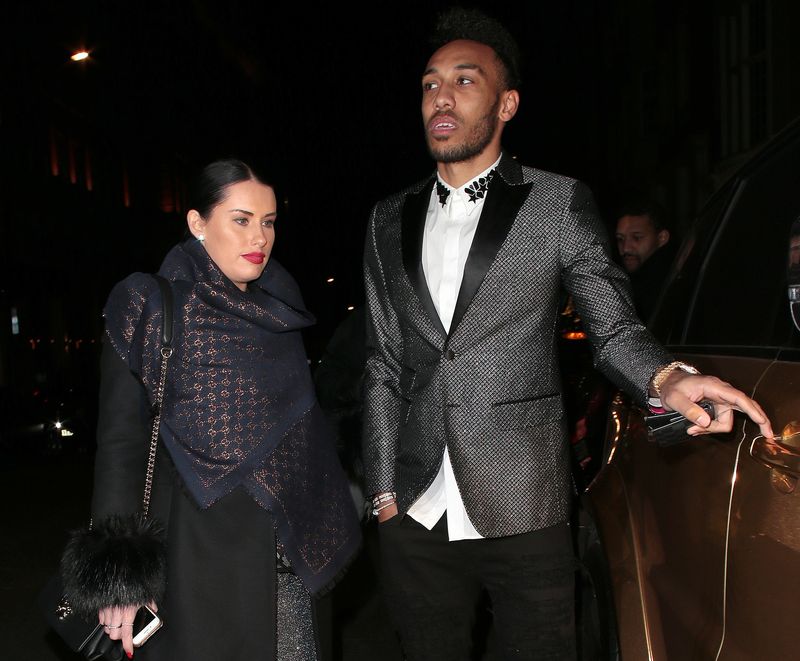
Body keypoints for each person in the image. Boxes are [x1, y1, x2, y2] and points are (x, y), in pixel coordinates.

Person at [361, 8, 773, 660]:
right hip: (416, 510)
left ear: (506, 104)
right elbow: (383, 362)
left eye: (465, 81)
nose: (441, 96)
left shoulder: (557, 202)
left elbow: (612, 327)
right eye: (430, 83)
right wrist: (384, 493)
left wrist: (667, 377)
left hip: (526, 501)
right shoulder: (387, 219)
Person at [90, 159, 361, 660]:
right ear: (197, 223)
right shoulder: (148, 303)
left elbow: (303, 430)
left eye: (269, 222)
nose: (259, 237)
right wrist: (120, 578)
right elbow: (121, 446)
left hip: (289, 557)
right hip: (197, 559)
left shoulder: (282, 310)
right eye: (241, 219)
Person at [615, 199, 677, 320]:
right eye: (620, 239)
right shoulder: (627, 282)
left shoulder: (665, 284)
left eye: (637, 238)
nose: (626, 248)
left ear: (662, 238)